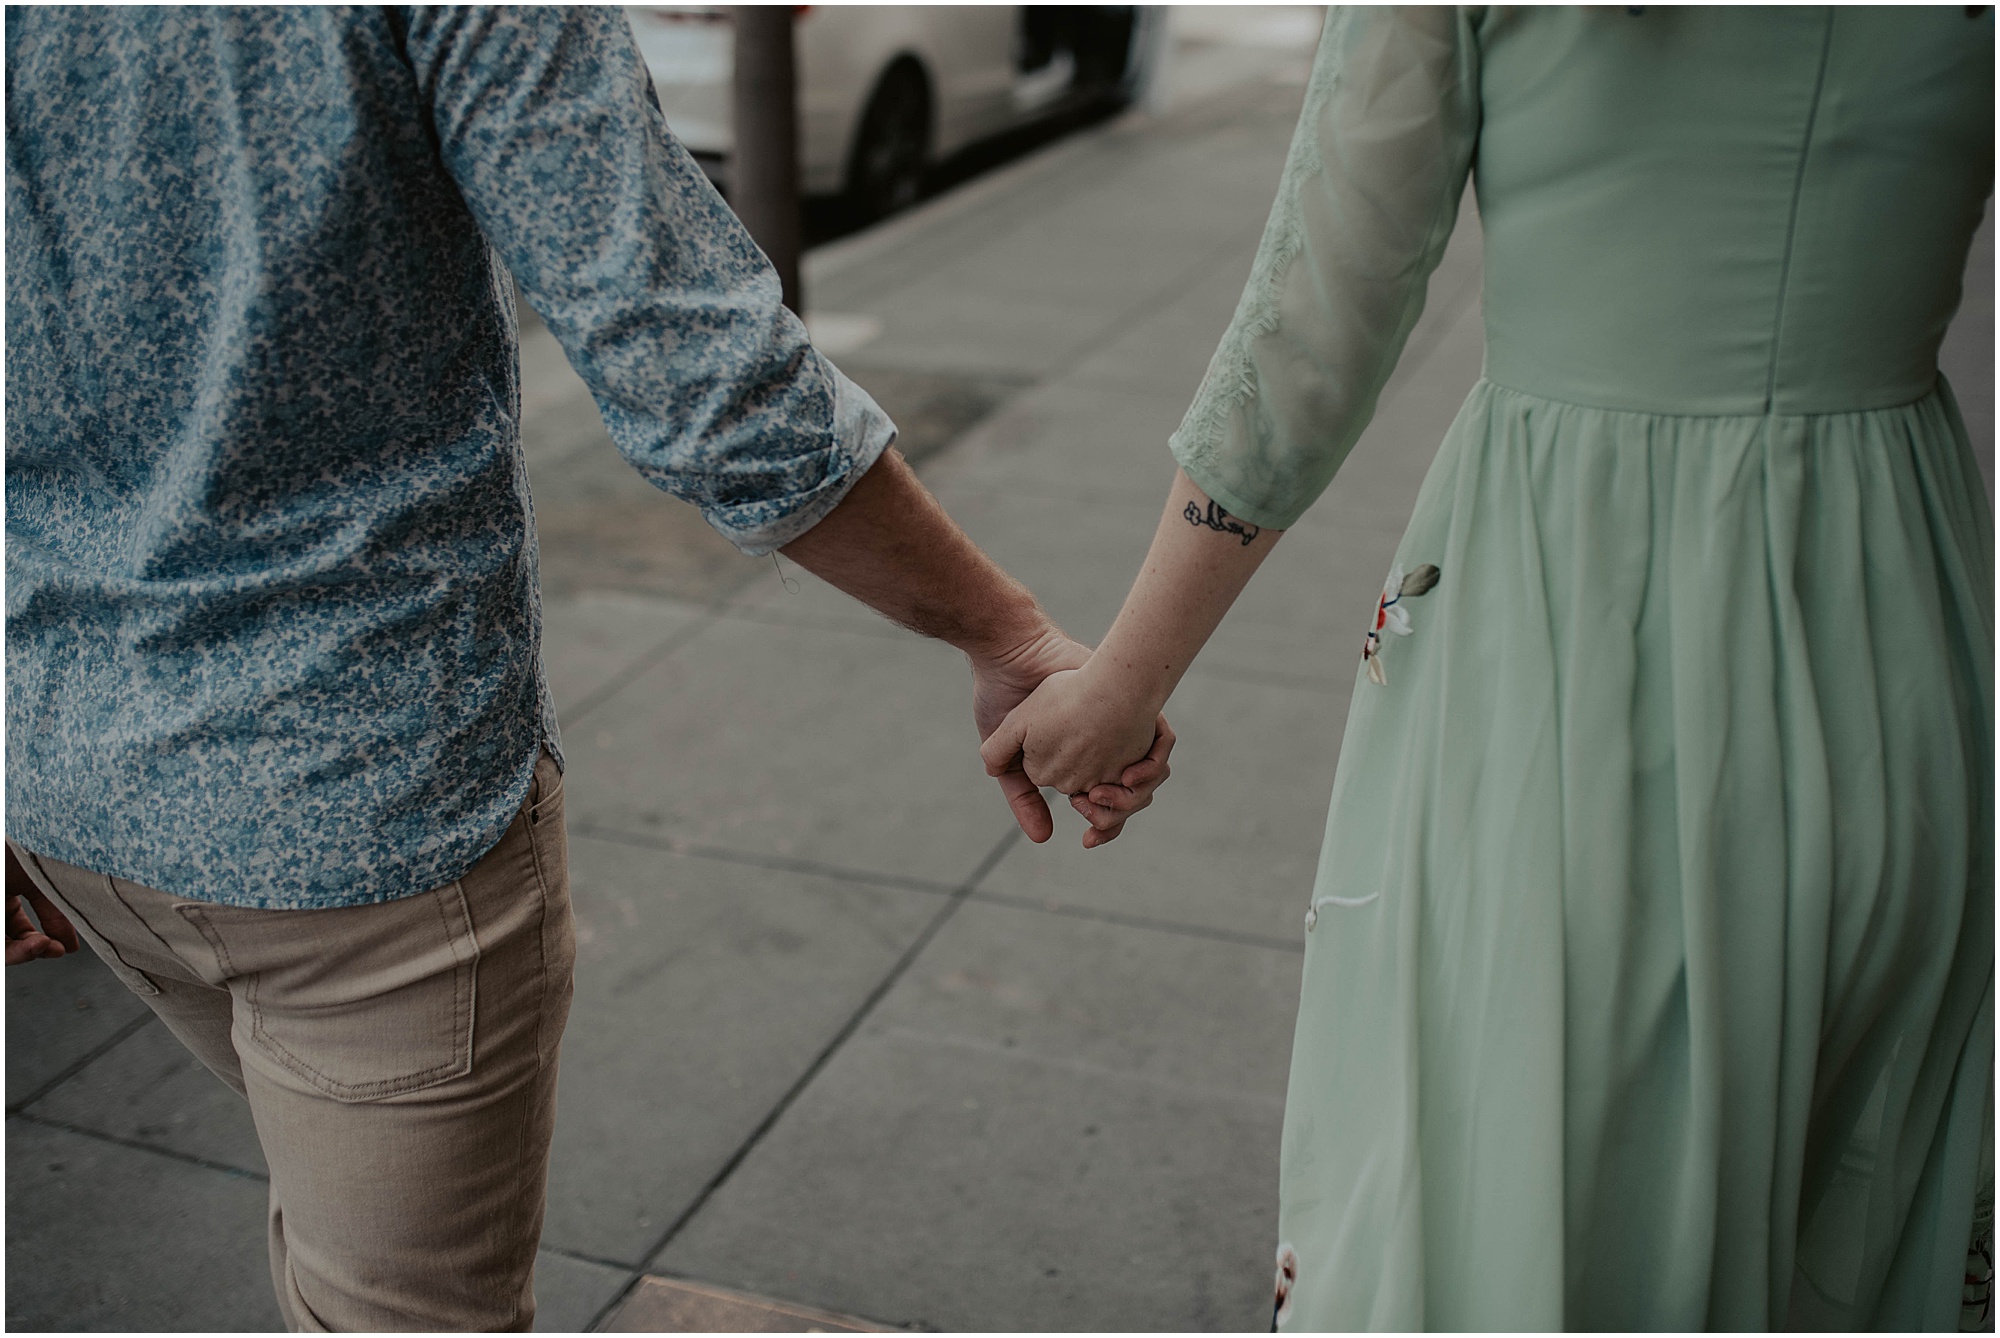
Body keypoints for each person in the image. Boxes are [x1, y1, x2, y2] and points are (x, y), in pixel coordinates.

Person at [3, 7, 1170, 1330]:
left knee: (329, 1225)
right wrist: (1005, 632)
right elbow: (702, 375)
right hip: (364, 812)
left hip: (61, 782)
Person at [983, 6, 1994, 1329]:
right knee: (1838, 1194)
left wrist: (1123, 681)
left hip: (1578, 632)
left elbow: (1314, 328)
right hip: (1893, 618)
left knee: (1538, 1196)